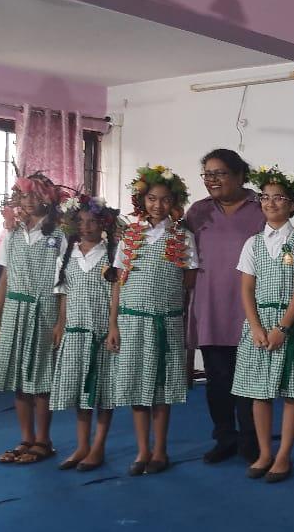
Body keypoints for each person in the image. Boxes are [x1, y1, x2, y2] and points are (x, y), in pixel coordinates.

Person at [105, 165, 197, 476]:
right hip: (132, 322)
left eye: (165, 199)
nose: (158, 205)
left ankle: (160, 450)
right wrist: (113, 324)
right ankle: (142, 450)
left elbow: (189, 283)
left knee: (161, 388)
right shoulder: (130, 236)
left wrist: (184, 323)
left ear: (175, 202)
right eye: (152, 199)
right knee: (136, 386)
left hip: (166, 322)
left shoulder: (183, 236)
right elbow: (119, 282)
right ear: (142, 200)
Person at [231, 166, 294, 483]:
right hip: (259, 324)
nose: (270, 203)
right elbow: (246, 289)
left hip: (289, 323)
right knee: (259, 392)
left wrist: (282, 328)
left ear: (292, 204)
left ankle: (283, 456)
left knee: (291, 392)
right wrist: (255, 326)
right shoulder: (252, 243)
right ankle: (265, 452)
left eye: (278, 197)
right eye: (265, 197)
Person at [186, 148, 264, 464]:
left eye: (219, 173)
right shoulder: (197, 212)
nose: (212, 180)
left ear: (240, 175)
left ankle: (251, 440)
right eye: (208, 174)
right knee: (217, 380)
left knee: (249, 379)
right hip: (210, 307)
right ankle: (224, 437)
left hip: (249, 308)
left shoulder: (260, 207)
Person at [0, 172, 68, 465]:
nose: (29, 201)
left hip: (44, 309)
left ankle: (43, 441)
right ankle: (26, 438)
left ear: (48, 199)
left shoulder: (59, 234)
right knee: (19, 379)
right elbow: (5, 277)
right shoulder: (12, 233)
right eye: (24, 196)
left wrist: (61, 321)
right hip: (14, 310)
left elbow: (65, 281)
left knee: (41, 378)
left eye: (35, 195)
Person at [49, 195, 123, 471]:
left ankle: (98, 446)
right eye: (80, 221)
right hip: (76, 332)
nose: (86, 226)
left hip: (101, 333)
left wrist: (113, 326)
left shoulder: (111, 255)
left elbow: (116, 293)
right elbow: (64, 293)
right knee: (80, 389)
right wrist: (61, 323)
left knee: (103, 391)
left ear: (103, 223)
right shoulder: (67, 255)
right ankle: (82, 445)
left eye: (92, 221)